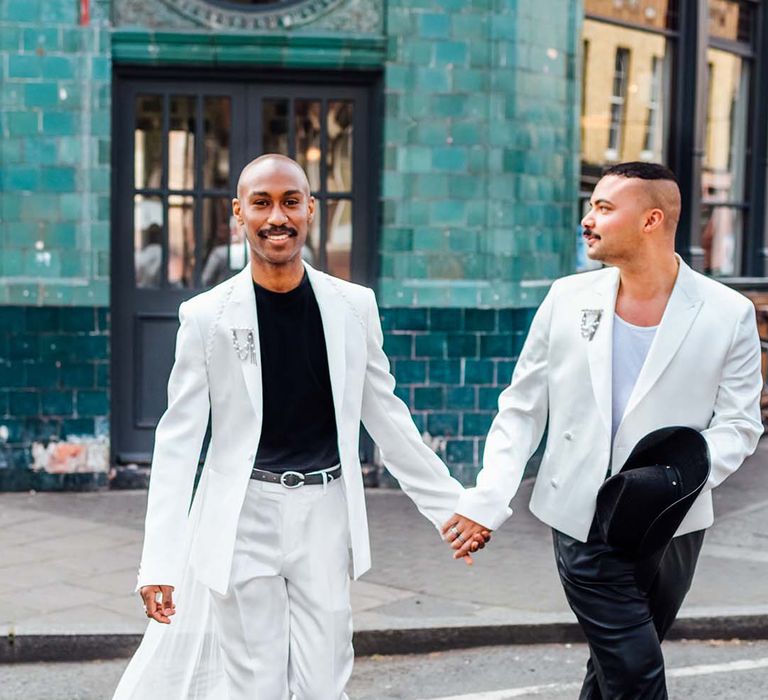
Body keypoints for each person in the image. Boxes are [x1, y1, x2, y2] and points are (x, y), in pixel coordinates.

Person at [113, 154, 487, 700]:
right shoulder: (207, 316)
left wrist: (450, 505)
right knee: (255, 683)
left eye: (290, 201)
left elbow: (386, 414)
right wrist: (159, 563)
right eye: (261, 203)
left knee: (324, 678)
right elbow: (177, 443)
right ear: (238, 214)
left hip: (325, 510)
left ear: (310, 209)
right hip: (244, 514)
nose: (277, 217)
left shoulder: (353, 306)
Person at [443, 162, 763, 698]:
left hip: (673, 522)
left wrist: (676, 474)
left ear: (651, 220)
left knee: (616, 668)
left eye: (604, 208)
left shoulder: (726, 312)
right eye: (591, 207)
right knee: (638, 673)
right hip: (582, 518)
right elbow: (522, 410)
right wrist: (487, 498)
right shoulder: (567, 299)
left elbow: (740, 424)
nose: (587, 220)